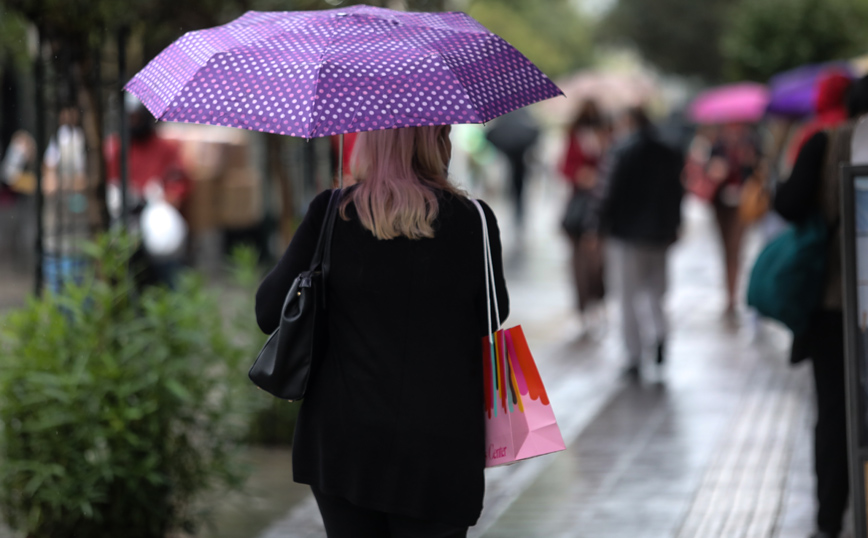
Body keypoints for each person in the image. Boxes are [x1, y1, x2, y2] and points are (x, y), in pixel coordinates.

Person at [255, 125, 509, 538]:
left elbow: (269, 311)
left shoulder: (332, 213)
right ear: (435, 141)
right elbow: (491, 317)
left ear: (368, 140)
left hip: (345, 443)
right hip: (440, 445)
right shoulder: (474, 221)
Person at [774, 74, 868, 538]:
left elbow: (787, 205)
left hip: (835, 302)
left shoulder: (825, 141)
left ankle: (830, 518)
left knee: (835, 408)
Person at [598, 107, 684, 376]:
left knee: (627, 296)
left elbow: (607, 193)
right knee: (656, 292)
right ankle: (659, 335)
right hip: (659, 234)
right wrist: (674, 225)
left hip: (626, 235)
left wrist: (597, 226)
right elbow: (677, 192)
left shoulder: (621, 151)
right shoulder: (668, 151)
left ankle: (633, 354)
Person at [559, 100, 609, 334]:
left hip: (600, 208)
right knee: (579, 262)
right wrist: (580, 175)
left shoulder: (607, 136)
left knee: (597, 262)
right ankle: (582, 308)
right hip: (579, 208)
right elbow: (564, 166)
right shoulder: (573, 136)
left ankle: (598, 300)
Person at [706, 122, 762, 317]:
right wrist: (717, 170)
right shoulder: (718, 146)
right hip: (722, 203)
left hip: (742, 202)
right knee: (725, 249)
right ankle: (728, 294)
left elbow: (759, 172)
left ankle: (734, 294)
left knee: (736, 247)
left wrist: (749, 161)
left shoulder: (751, 143)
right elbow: (709, 171)